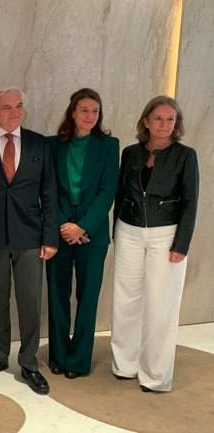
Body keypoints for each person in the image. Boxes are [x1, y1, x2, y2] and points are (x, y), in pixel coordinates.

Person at [0, 87, 58, 395]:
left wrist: (50, 237)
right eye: (7, 107)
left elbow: (49, 192)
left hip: (31, 237)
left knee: (30, 301)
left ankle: (29, 362)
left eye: (19, 106)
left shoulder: (40, 144)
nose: (14, 112)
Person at [111, 96, 199, 392]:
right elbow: (122, 194)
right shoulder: (130, 153)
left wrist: (181, 244)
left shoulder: (185, 156)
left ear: (177, 124)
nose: (164, 124)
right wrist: (115, 233)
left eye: (170, 119)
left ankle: (156, 375)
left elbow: (190, 202)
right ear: (146, 121)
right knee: (126, 299)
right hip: (129, 231)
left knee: (161, 304)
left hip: (166, 234)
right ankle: (125, 364)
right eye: (158, 118)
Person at [46, 88, 119, 379]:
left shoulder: (109, 145)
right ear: (73, 112)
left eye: (95, 111)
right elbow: (48, 188)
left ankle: (78, 361)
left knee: (87, 298)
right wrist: (65, 224)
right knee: (57, 296)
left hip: (93, 234)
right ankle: (59, 356)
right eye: (85, 110)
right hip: (60, 231)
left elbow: (108, 190)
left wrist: (83, 226)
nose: (90, 116)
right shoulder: (53, 145)